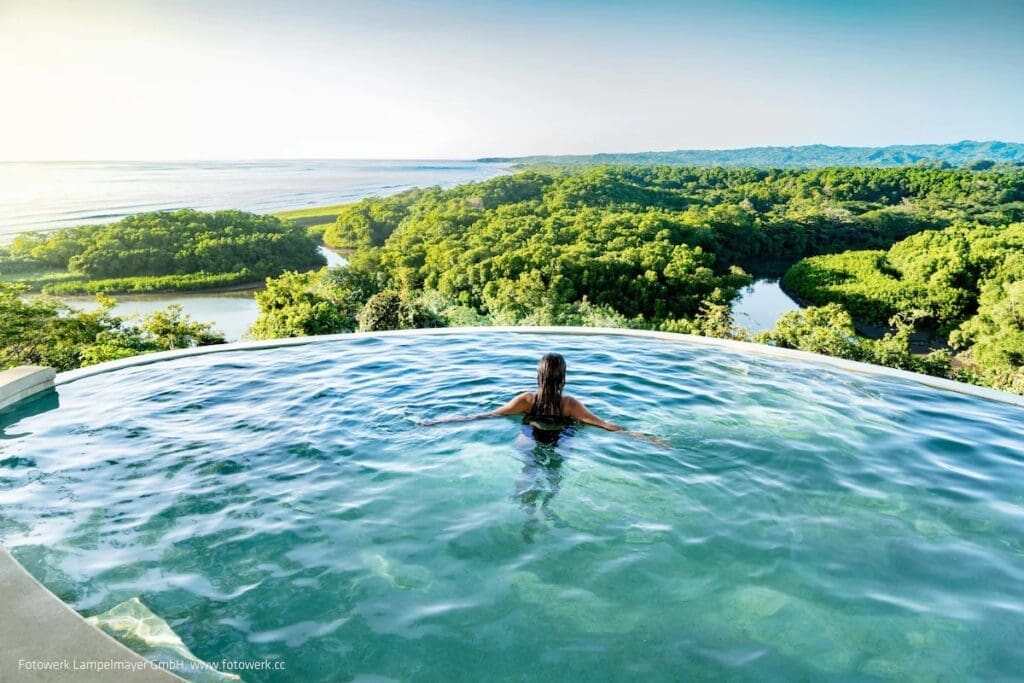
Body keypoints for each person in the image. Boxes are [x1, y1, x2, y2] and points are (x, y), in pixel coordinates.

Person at [421, 352, 667, 447]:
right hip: (561, 437)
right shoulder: (570, 405)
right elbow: (605, 425)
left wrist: (439, 422)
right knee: (553, 476)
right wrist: (645, 437)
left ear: (539, 375)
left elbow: (485, 415)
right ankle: (547, 506)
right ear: (562, 377)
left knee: (527, 472)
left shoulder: (526, 400)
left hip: (528, 434)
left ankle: (527, 509)